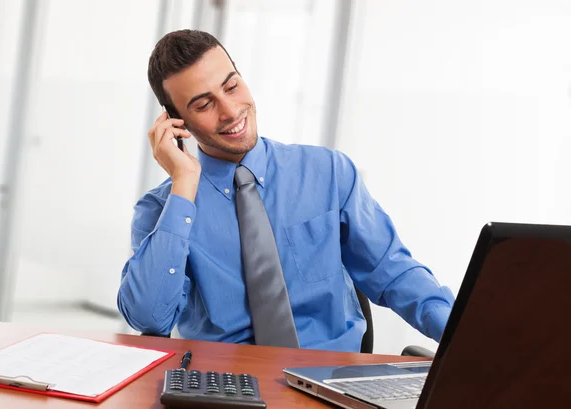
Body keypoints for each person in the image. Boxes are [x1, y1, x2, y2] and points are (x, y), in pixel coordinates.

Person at [117, 29, 454, 352]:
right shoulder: (162, 210)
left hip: (331, 381)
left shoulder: (328, 172)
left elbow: (394, 274)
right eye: (204, 105)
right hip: (225, 388)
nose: (230, 111)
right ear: (177, 123)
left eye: (231, 86)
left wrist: (467, 337)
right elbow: (149, 319)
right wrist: (185, 183)